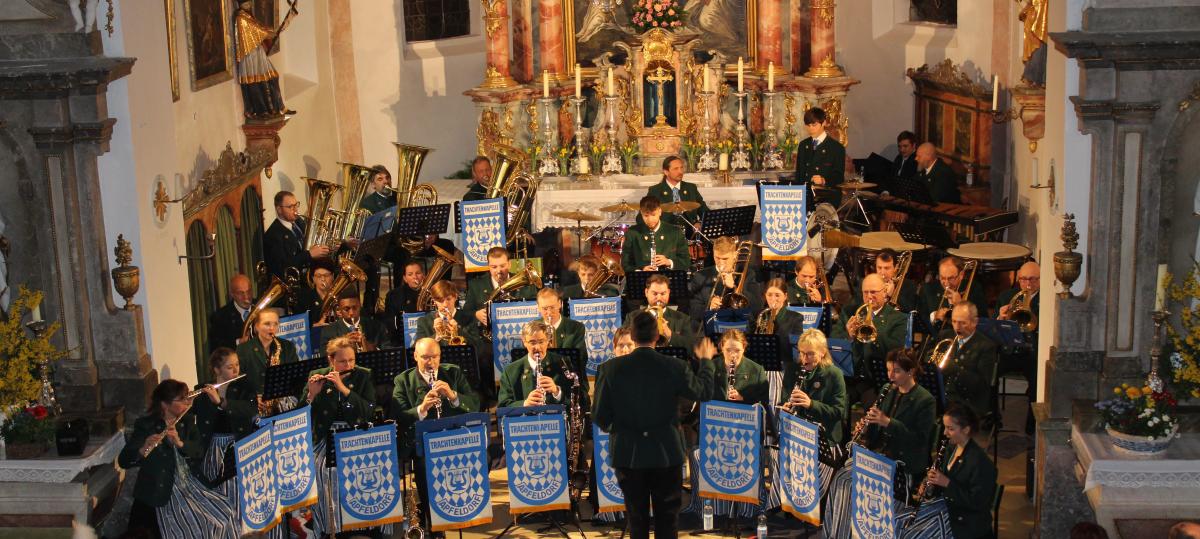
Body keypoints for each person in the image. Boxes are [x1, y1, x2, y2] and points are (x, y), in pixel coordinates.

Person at [592, 311, 717, 539]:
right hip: (666, 453)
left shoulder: (610, 369)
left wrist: (621, 429)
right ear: (657, 336)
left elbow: (600, 416)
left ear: (632, 334)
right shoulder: (675, 366)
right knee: (667, 520)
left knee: (636, 519)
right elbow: (704, 392)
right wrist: (707, 362)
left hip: (628, 453)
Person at [118, 380, 238, 539]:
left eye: (187, 397)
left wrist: (179, 443)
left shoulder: (187, 421)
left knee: (225, 513)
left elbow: (199, 451)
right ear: (165, 405)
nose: (187, 402)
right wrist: (142, 449)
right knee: (194, 530)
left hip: (189, 485)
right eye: (182, 399)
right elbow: (124, 461)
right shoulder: (146, 425)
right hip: (162, 490)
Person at [391, 338, 480, 534]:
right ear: (415, 356)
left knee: (485, 457)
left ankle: (460, 509)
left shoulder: (453, 372)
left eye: (434, 357)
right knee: (425, 467)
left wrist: (453, 396)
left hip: (454, 439)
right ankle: (435, 524)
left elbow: (475, 404)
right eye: (425, 357)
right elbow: (399, 416)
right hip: (422, 443)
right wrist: (421, 409)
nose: (430, 362)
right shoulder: (403, 380)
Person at [301, 336, 378, 538]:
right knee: (322, 470)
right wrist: (311, 395)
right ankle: (329, 526)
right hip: (325, 437)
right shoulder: (317, 376)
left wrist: (343, 390)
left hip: (355, 434)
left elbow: (368, 411)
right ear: (331, 360)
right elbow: (301, 414)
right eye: (343, 361)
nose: (348, 365)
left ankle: (362, 524)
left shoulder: (363, 376)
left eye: (351, 360)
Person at [861, 348, 937, 488]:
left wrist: (888, 423)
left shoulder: (926, 401)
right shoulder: (887, 389)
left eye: (896, 371)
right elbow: (877, 428)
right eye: (888, 370)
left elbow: (919, 440)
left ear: (911, 371)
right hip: (881, 454)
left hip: (904, 461)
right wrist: (867, 428)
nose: (890, 376)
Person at [922, 403, 998, 539]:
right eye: (945, 427)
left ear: (966, 430)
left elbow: (977, 503)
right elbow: (942, 484)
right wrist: (930, 484)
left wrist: (947, 483)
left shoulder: (981, 463)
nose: (945, 433)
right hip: (948, 513)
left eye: (950, 429)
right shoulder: (950, 449)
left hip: (969, 526)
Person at [191, 348, 257, 499]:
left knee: (239, 491)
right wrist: (187, 403)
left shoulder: (245, 386)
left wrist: (221, 402)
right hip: (213, 446)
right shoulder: (202, 389)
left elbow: (250, 410)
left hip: (238, 443)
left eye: (237, 365)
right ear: (217, 370)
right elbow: (192, 416)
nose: (236, 369)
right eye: (229, 367)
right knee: (217, 488)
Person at [833, 273, 908, 391]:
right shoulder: (849, 312)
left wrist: (876, 335)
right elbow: (834, 341)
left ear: (884, 292)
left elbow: (896, 350)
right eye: (865, 292)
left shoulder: (899, 318)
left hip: (877, 381)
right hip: (849, 376)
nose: (869, 297)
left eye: (873, 292)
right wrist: (849, 336)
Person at [781, 328, 849, 445]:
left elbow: (839, 412)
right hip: (798, 433)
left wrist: (811, 405)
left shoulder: (834, 374)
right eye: (801, 353)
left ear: (822, 352)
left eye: (810, 354)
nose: (804, 359)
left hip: (825, 437)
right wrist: (786, 406)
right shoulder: (792, 370)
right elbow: (784, 398)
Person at [935, 302, 999, 420]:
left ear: (974, 322)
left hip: (968, 400)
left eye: (962, 323)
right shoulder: (945, 336)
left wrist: (955, 369)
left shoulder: (986, 346)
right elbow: (928, 358)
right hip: (944, 395)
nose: (957, 327)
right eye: (954, 321)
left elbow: (981, 385)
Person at [997, 260, 1040, 432]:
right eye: (1023, 279)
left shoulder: (1046, 299)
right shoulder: (1007, 296)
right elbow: (994, 328)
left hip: (1032, 352)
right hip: (1010, 350)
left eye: (1033, 279)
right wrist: (1001, 317)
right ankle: (993, 418)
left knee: (1038, 381)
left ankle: (1032, 425)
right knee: (989, 372)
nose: (1028, 284)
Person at [497, 320, 577, 408]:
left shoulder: (563, 363)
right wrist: (525, 403)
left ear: (548, 341)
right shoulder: (510, 371)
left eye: (541, 342)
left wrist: (557, 391)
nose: (537, 347)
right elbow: (503, 405)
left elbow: (577, 400)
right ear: (524, 342)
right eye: (532, 342)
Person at [234, 1, 292, 119]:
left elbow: (260, 29)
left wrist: (279, 29)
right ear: (243, 4)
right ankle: (263, 110)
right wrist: (276, 31)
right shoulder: (241, 18)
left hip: (257, 52)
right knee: (256, 82)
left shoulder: (248, 16)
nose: (250, 4)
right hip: (250, 55)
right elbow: (259, 32)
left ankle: (279, 107)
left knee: (273, 77)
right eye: (248, 2)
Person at [462, 246, 539, 330]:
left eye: (502, 266)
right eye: (494, 267)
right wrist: (476, 315)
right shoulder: (476, 285)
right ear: (488, 266)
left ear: (509, 264)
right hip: (487, 340)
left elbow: (537, 309)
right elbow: (465, 315)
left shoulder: (527, 284)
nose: (499, 270)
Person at [687, 236, 762, 322]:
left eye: (725, 259)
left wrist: (735, 287)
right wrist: (709, 306)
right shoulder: (700, 276)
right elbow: (693, 311)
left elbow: (757, 307)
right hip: (711, 328)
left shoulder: (748, 274)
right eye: (717, 258)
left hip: (739, 328)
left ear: (735, 255)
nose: (721, 263)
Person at [263, 190, 331, 280]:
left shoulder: (299, 222)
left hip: (312, 275)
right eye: (290, 207)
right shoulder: (273, 235)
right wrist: (309, 254)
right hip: (295, 283)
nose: (295, 210)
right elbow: (282, 267)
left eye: (296, 205)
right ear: (279, 210)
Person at [235, 309, 300, 398]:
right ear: (256, 326)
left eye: (275, 324)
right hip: (256, 404)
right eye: (267, 324)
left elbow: (295, 376)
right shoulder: (243, 349)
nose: (272, 328)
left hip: (282, 399)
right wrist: (254, 397)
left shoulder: (287, 346)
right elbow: (239, 382)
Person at [622, 274, 697, 348]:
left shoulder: (683, 319)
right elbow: (622, 342)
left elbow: (692, 348)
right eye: (655, 293)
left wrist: (670, 335)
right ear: (646, 292)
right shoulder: (632, 317)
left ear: (668, 293)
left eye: (663, 294)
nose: (659, 298)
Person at [918, 256, 989, 332]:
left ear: (961, 275)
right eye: (942, 278)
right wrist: (934, 316)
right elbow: (919, 320)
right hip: (935, 340)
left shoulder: (974, 288)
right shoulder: (928, 289)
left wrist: (960, 304)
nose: (946, 283)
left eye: (951, 278)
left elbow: (983, 322)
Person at [621, 195, 691, 273]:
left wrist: (669, 262)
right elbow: (625, 263)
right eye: (646, 215)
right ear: (641, 213)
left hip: (668, 279)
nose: (650, 219)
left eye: (653, 215)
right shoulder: (632, 232)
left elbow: (686, 261)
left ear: (660, 211)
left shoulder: (675, 232)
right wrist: (641, 271)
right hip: (642, 280)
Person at [793, 108, 846, 203]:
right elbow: (799, 174)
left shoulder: (836, 148)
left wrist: (824, 180)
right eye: (808, 125)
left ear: (824, 123)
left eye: (814, 125)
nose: (811, 128)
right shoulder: (803, 145)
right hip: (806, 196)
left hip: (827, 197)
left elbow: (839, 177)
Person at [536, 288, 589, 382]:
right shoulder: (533, 329)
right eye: (545, 309)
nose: (549, 313)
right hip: (542, 379)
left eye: (552, 307)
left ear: (560, 304)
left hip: (569, 379)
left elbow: (581, 359)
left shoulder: (576, 327)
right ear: (538, 308)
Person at [705, 329, 768, 406]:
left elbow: (764, 404)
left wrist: (742, 399)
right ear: (722, 347)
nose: (733, 355)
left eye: (737, 350)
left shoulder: (757, 371)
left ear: (744, 348)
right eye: (728, 350)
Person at [645, 156, 708, 231]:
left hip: (690, 234)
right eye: (676, 169)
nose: (680, 172)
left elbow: (704, 211)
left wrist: (700, 223)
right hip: (665, 234)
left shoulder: (691, 188)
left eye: (681, 168)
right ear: (666, 172)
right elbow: (643, 216)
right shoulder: (655, 191)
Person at [415, 281, 479, 347]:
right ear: (434, 301)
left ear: (455, 297)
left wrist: (458, 331)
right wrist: (436, 336)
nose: (445, 305)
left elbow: (480, 348)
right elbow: (416, 349)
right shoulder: (423, 321)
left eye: (448, 299)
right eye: (440, 301)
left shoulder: (469, 318)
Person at [318, 293, 387, 351]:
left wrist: (368, 346)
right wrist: (343, 343)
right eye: (346, 309)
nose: (351, 313)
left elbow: (388, 353)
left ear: (360, 306)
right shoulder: (328, 331)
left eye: (355, 308)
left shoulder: (377, 327)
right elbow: (325, 357)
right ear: (339, 310)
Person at [382, 259, 427, 342]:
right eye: (410, 274)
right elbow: (390, 322)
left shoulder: (431, 293)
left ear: (423, 275)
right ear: (405, 279)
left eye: (418, 273)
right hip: (403, 338)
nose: (415, 277)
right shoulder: (394, 295)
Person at [207, 274, 254, 352]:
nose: (246, 297)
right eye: (241, 293)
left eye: (248, 291)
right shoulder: (220, 317)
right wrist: (239, 342)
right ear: (232, 294)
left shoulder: (262, 307)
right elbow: (216, 348)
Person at [291, 258, 338, 327]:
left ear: (333, 276)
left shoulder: (340, 296)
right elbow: (298, 326)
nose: (323, 279)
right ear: (313, 278)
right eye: (319, 276)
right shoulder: (304, 298)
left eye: (326, 275)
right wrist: (316, 325)